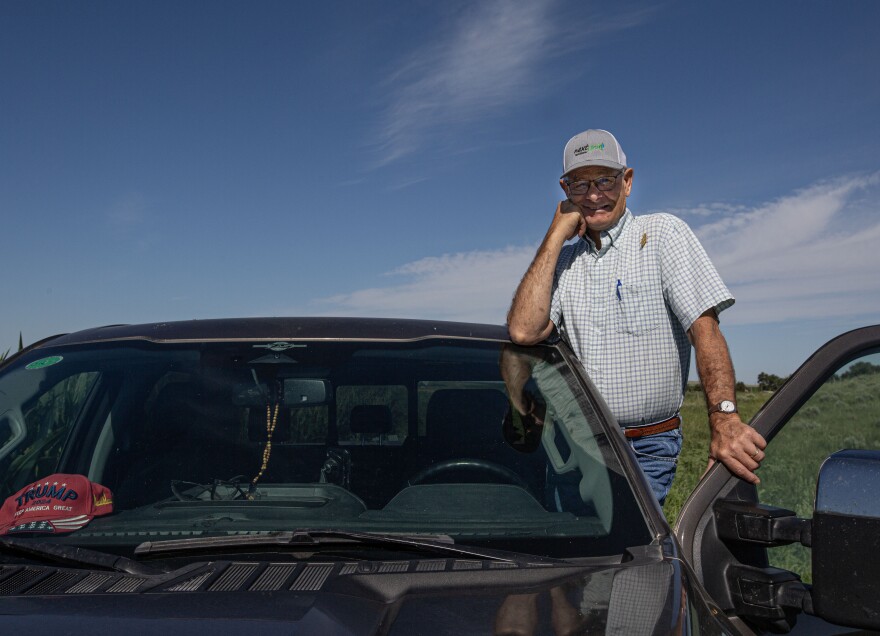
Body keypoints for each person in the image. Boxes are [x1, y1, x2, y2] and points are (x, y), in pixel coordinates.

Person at [507, 129, 766, 504]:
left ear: (627, 182)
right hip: (577, 446)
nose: (594, 195)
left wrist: (725, 419)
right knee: (574, 554)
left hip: (646, 448)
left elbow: (704, 330)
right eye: (580, 184)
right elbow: (523, 330)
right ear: (565, 191)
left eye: (606, 180)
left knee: (632, 559)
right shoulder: (562, 262)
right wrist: (554, 235)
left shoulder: (663, 234)